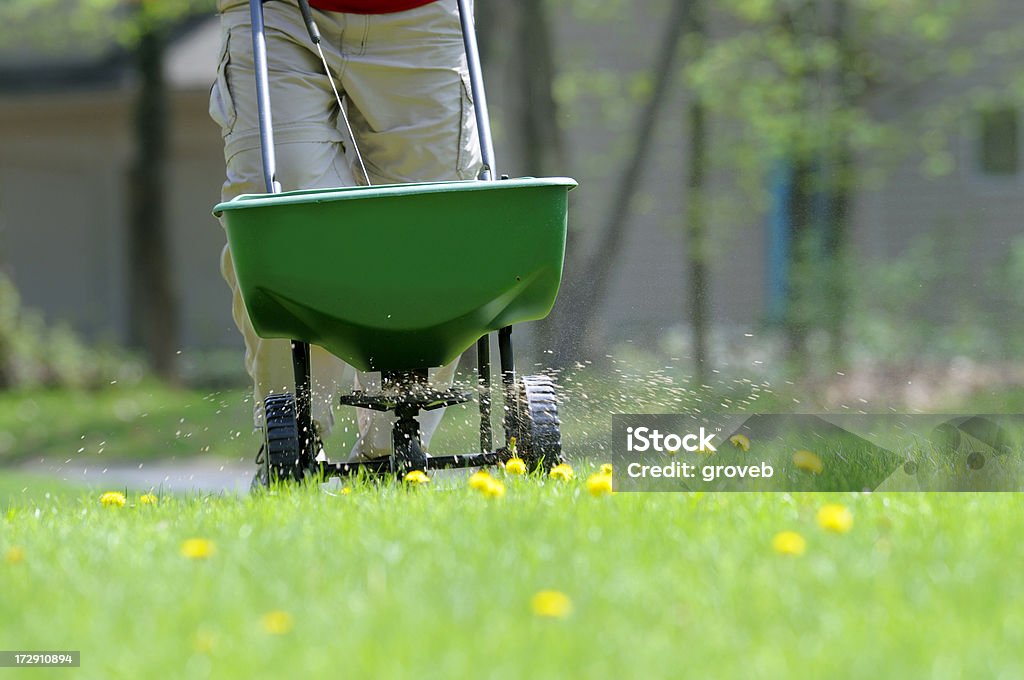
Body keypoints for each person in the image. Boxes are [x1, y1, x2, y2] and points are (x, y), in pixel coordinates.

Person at [209, 0, 481, 463]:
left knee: (431, 229)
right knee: (283, 211)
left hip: (421, 15)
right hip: (276, 12)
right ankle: (293, 435)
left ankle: (390, 448)